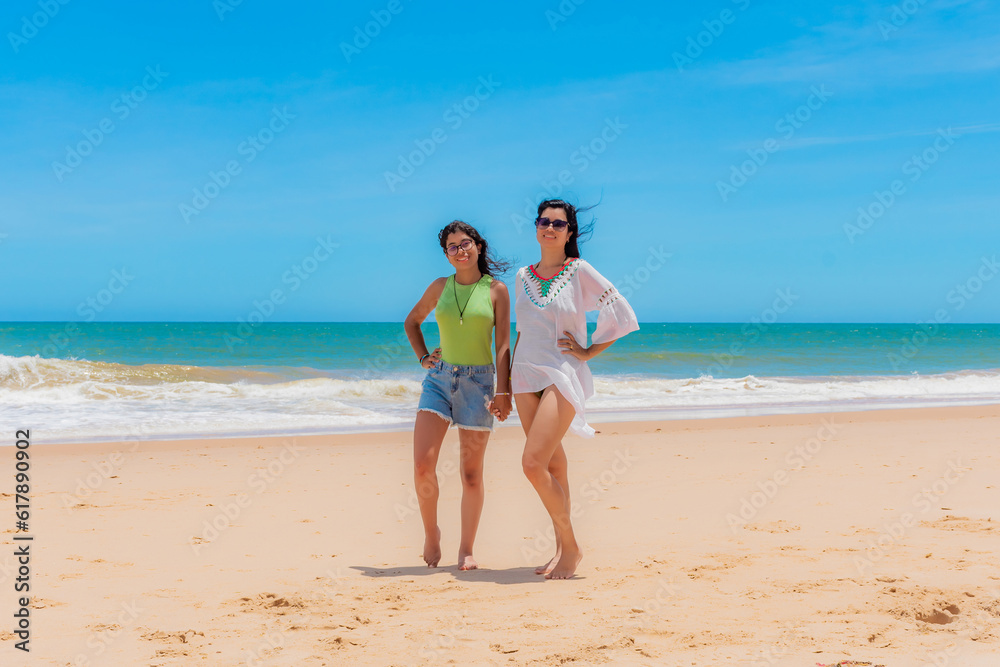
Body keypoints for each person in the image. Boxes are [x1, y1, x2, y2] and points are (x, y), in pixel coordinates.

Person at [510, 199, 639, 579]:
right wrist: (504, 387)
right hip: (523, 376)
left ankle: (572, 546)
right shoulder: (521, 276)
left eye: (558, 223)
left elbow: (621, 313)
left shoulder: (578, 270)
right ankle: (560, 550)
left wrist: (588, 351)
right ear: (535, 227)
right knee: (552, 464)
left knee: (532, 464)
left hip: (561, 372)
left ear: (570, 232)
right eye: (543, 221)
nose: (550, 228)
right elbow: (520, 333)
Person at [404, 221, 512, 570]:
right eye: (452, 246)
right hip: (439, 379)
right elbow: (412, 321)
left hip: (479, 384)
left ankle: (466, 549)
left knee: (470, 474)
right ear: (447, 255)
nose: (460, 250)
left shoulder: (496, 290)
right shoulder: (440, 287)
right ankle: (431, 531)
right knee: (422, 466)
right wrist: (423, 358)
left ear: (478, 246)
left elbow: (503, 345)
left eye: (465, 243)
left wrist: (503, 391)